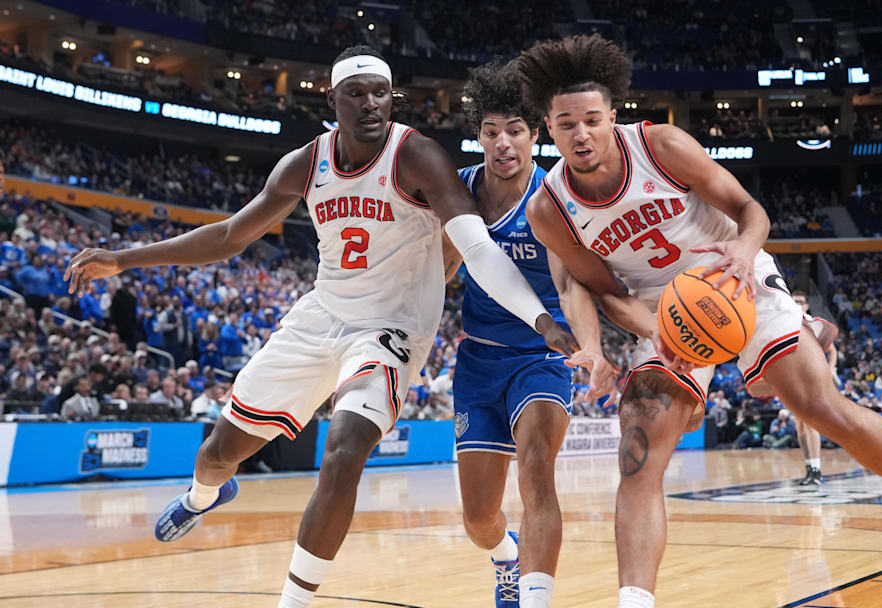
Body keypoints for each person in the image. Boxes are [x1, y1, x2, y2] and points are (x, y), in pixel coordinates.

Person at [65, 45, 581, 608]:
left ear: (393, 98)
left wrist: (539, 319)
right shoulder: (304, 164)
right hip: (320, 318)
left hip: (390, 331)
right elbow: (230, 236)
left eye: (380, 93)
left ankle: (293, 601)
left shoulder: (419, 157)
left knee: (344, 447)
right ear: (330, 100)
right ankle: (202, 494)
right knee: (218, 452)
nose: (370, 105)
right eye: (355, 94)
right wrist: (124, 258)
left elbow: (478, 250)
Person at [517, 34, 882, 605]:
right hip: (663, 309)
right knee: (637, 449)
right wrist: (656, 330)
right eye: (565, 124)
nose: (581, 134)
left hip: (735, 278)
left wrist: (743, 251)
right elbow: (602, 290)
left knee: (819, 407)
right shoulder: (549, 207)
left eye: (591, 120)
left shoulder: (662, 146)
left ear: (613, 116)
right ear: (548, 129)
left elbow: (751, 211)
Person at [440, 60, 617, 608]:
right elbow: (438, 270)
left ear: (535, 133)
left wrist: (590, 346)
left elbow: (569, 284)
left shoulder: (554, 198)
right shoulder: (459, 191)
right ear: (479, 137)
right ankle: (504, 558)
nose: (503, 143)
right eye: (490, 131)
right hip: (477, 362)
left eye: (515, 130)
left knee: (537, 468)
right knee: (478, 519)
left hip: (544, 356)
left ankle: (537, 599)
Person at [790, 290, 838, 487]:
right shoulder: (786, 322)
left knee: (810, 424)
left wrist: (829, 372)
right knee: (799, 425)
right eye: (794, 301)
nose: (798, 304)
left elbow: (833, 350)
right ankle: (809, 467)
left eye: (801, 301)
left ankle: (816, 470)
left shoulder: (810, 322)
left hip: (811, 378)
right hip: (793, 378)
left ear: (807, 305)